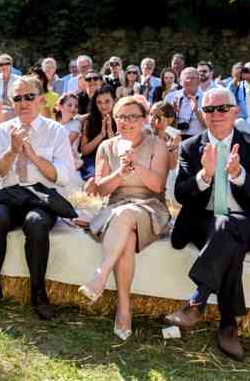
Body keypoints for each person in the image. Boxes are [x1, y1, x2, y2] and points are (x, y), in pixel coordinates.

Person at [0, 75, 77, 318]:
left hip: (39, 197)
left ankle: (38, 292)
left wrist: (31, 155)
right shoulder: (2, 131)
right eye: (18, 98)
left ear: (41, 100)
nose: (23, 102)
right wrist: (12, 150)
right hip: (9, 196)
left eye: (29, 96)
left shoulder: (55, 131)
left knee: (36, 222)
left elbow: (63, 176)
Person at [165, 88, 250, 361]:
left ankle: (197, 300)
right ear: (201, 114)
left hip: (247, 220)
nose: (216, 115)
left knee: (230, 229)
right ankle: (228, 327)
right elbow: (180, 194)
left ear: (235, 111)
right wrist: (205, 174)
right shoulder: (191, 146)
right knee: (228, 238)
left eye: (222, 108)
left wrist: (239, 174)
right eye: (209, 110)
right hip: (204, 220)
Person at [77, 96, 169, 340]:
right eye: (121, 116)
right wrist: (120, 172)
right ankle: (124, 309)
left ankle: (100, 274)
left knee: (126, 215)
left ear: (144, 119)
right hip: (115, 206)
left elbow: (158, 186)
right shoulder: (106, 147)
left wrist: (136, 164)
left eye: (133, 116)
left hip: (149, 206)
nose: (127, 122)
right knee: (126, 236)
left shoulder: (157, 145)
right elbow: (101, 190)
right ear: (114, 119)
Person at [80, 85, 117, 180]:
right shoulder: (89, 120)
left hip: (113, 158)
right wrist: (101, 135)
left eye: (107, 101)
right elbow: (84, 151)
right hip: (92, 159)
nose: (103, 106)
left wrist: (109, 131)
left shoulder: (120, 119)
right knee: (95, 178)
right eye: (99, 102)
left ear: (114, 100)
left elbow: (118, 150)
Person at [165, 67, 204, 140]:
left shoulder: (206, 98)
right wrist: (173, 113)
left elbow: (208, 125)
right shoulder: (170, 97)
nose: (189, 81)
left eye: (193, 78)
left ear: (199, 81)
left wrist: (197, 111)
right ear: (181, 81)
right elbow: (163, 123)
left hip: (197, 139)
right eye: (187, 78)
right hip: (174, 138)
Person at [54, 92, 83, 169]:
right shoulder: (55, 124)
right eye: (69, 105)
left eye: (76, 106)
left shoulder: (76, 123)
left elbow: (67, 144)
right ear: (60, 106)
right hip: (55, 156)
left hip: (70, 160)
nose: (73, 108)